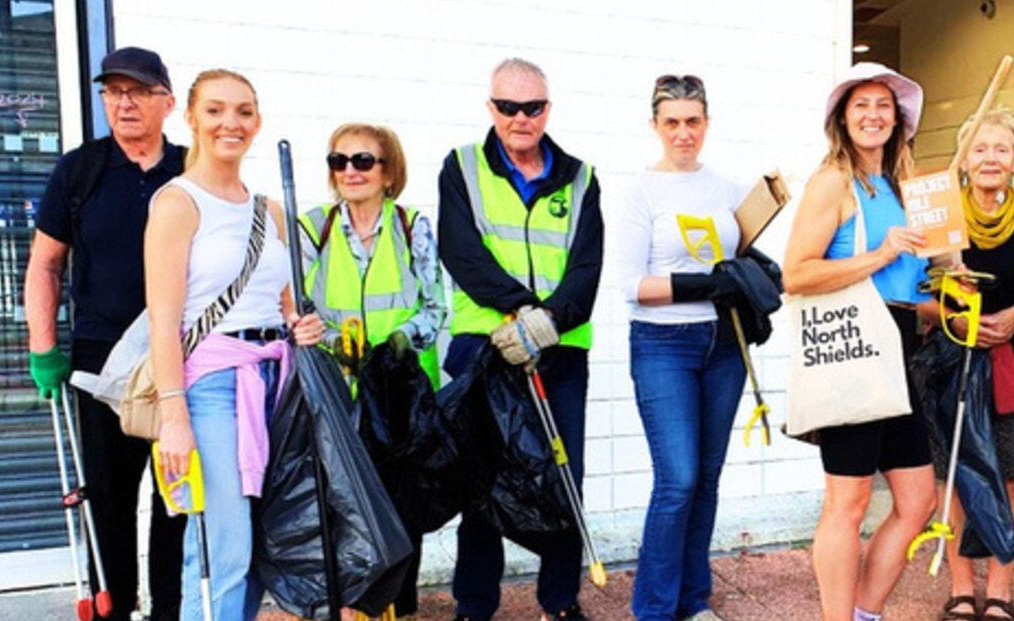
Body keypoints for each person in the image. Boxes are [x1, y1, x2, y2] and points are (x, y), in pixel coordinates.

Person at [146, 68, 325, 621]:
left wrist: (304, 325)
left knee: (262, 546)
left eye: (244, 111)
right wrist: (173, 414)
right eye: (217, 109)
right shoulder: (177, 204)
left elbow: (287, 306)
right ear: (192, 118)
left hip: (275, 385)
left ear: (258, 122)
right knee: (224, 548)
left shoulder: (269, 210)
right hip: (213, 390)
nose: (232, 122)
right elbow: (164, 320)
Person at [23, 46, 187, 621]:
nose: (124, 102)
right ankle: (116, 611)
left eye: (138, 91)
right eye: (113, 91)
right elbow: (45, 264)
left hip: (179, 360)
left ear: (167, 102)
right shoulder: (80, 169)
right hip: (99, 363)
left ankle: (171, 610)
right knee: (107, 506)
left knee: (178, 503)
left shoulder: (190, 171)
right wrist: (44, 348)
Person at [437, 58, 604, 621]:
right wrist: (519, 312)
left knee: (562, 477)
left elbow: (587, 269)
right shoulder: (460, 167)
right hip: (483, 346)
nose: (519, 118)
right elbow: (462, 254)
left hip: (560, 351)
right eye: (507, 107)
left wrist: (546, 322)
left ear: (547, 109)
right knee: (481, 481)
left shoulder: (582, 178)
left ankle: (559, 601)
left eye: (532, 107)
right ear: (491, 108)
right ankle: (473, 605)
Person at [782, 62, 937, 621]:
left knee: (918, 500)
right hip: (853, 349)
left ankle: (865, 612)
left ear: (898, 120)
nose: (873, 115)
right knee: (845, 504)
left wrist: (944, 300)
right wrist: (882, 253)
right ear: (842, 119)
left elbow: (903, 288)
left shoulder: (897, 189)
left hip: (898, 346)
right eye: (861, 105)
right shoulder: (832, 182)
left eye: (883, 106)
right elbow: (795, 274)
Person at [612, 73, 748, 621]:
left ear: (707, 123)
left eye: (693, 121)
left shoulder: (728, 188)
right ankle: (653, 609)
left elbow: (745, 258)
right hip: (663, 344)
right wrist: (701, 285)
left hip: (723, 345)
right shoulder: (643, 191)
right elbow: (631, 285)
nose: (683, 133)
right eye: (672, 122)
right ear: (655, 126)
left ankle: (694, 603)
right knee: (678, 480)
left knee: (706, 481)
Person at [297, 122, 445, 620]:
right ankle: (350, 610)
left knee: (400, 513)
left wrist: (398, 343)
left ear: (389, 172)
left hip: (400, 394)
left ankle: (398, 611)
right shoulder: (311, 227)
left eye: (364, 161)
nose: (350, 171)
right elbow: (294, 310)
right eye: (339, 161)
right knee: (341, 508)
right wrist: (336, 344)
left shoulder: (411, 227)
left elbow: (434, 307)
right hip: (335, 394)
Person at [917, 108, 1014, 621]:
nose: (990, 158)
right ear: (965, 161)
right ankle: (960, 586)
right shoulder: (939, 220)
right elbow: (916, 299)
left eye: (1000, 149)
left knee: (1011, 478)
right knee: (952, 475)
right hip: (954, 366)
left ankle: (1000, 587)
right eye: (979, 149)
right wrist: (956, 318)